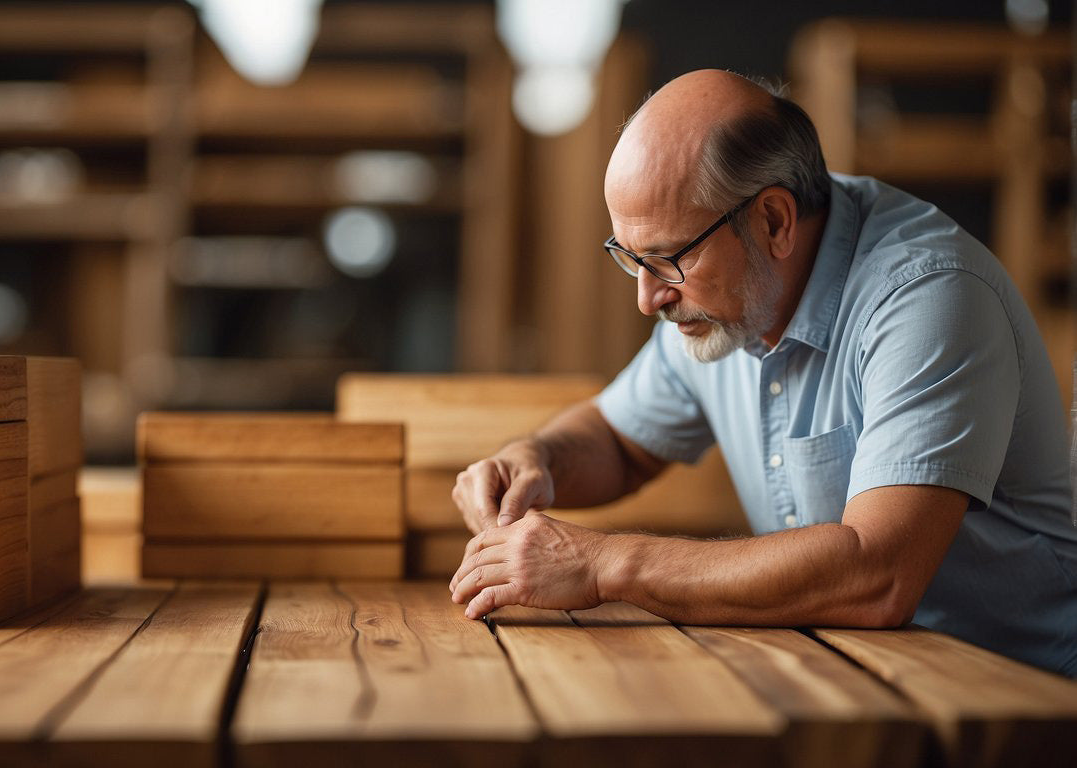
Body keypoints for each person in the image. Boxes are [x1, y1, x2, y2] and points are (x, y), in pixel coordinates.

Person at [448, 69, 1077, 677]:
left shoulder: (927, 297)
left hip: (1024, 696)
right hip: (854, 673)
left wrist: (602, 564)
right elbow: (618, 442)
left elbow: (877, 575)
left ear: (774, 221)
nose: (647, 298)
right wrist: (537, 459)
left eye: (666, 259)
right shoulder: (723, 299)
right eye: (631, 258)